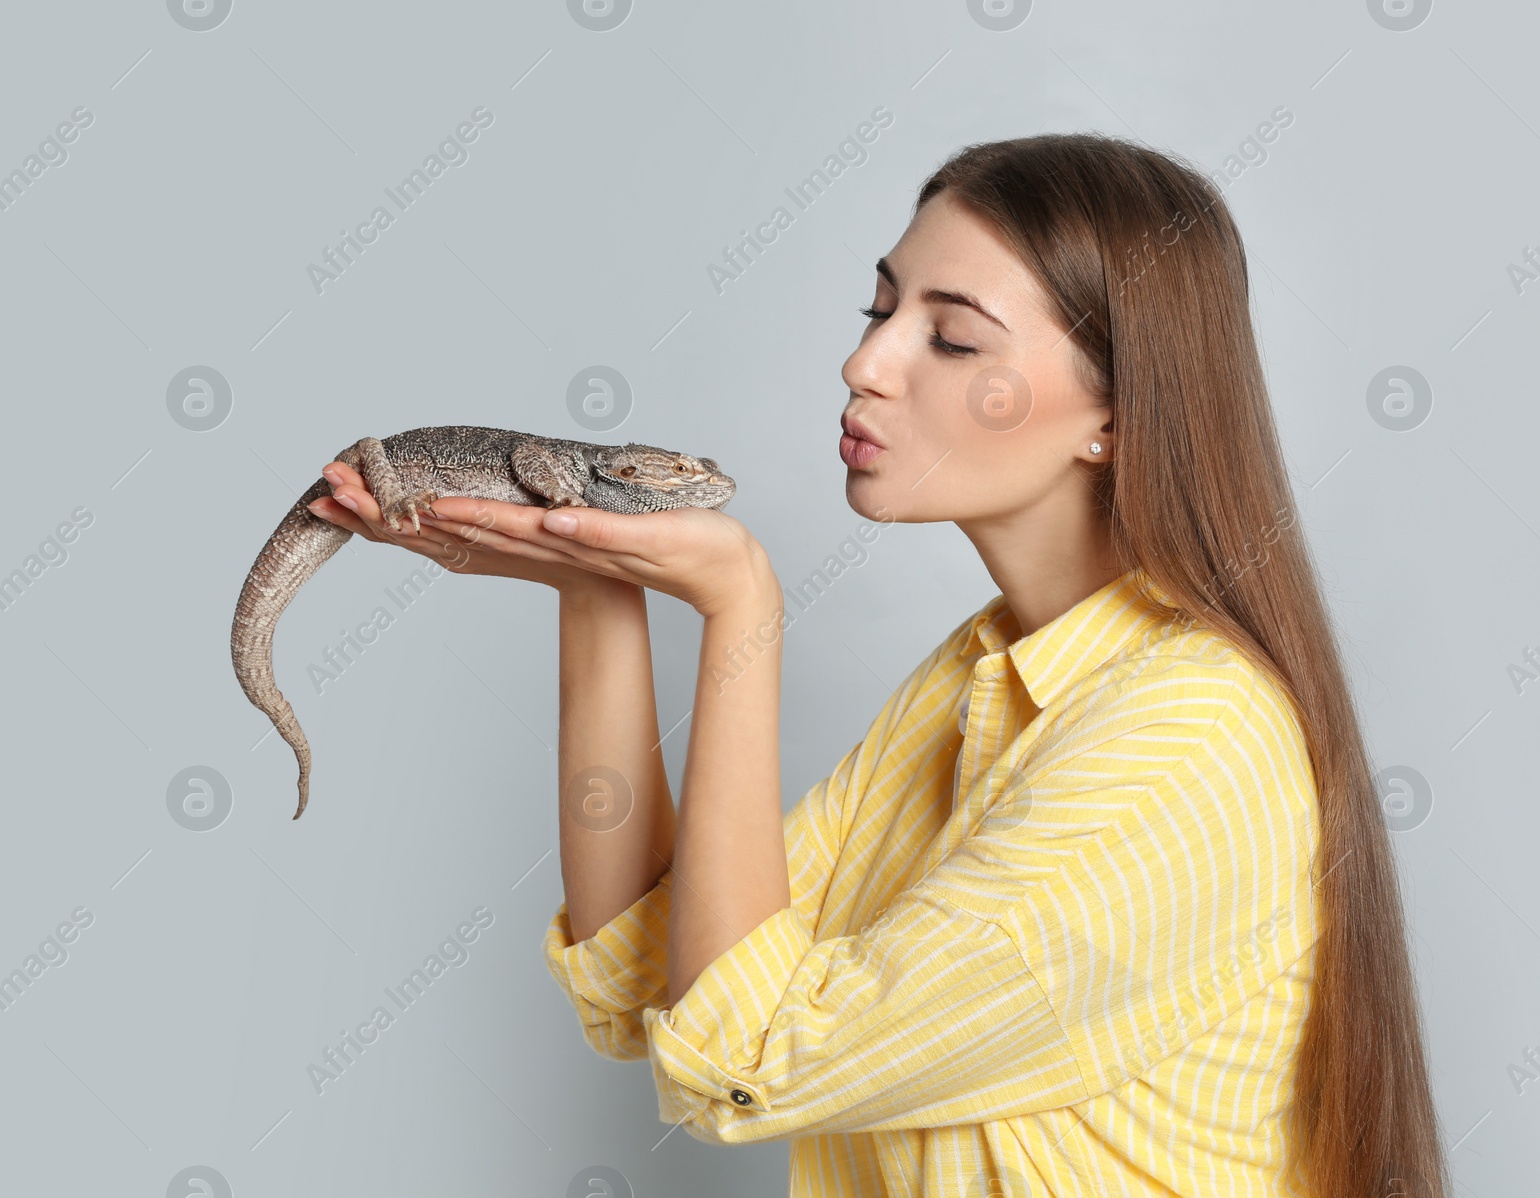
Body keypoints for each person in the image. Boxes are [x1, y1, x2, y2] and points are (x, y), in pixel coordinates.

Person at [309, 133, 1450, 1198]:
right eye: (879, 307)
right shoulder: (985, 674)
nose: (864, 362)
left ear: (1113, 409)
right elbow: (655, 981)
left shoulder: (1184, 742)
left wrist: (741, 606)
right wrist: (593, 581)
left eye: (951, 338)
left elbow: (740, 1058)